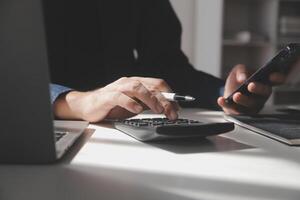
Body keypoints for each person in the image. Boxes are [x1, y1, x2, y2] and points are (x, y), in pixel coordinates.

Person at [47, 0, 285, 122]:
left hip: (130, 128)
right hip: (46, 131)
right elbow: (10, 78)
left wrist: (226, 92)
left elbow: (167, 67)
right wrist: (78, 102)